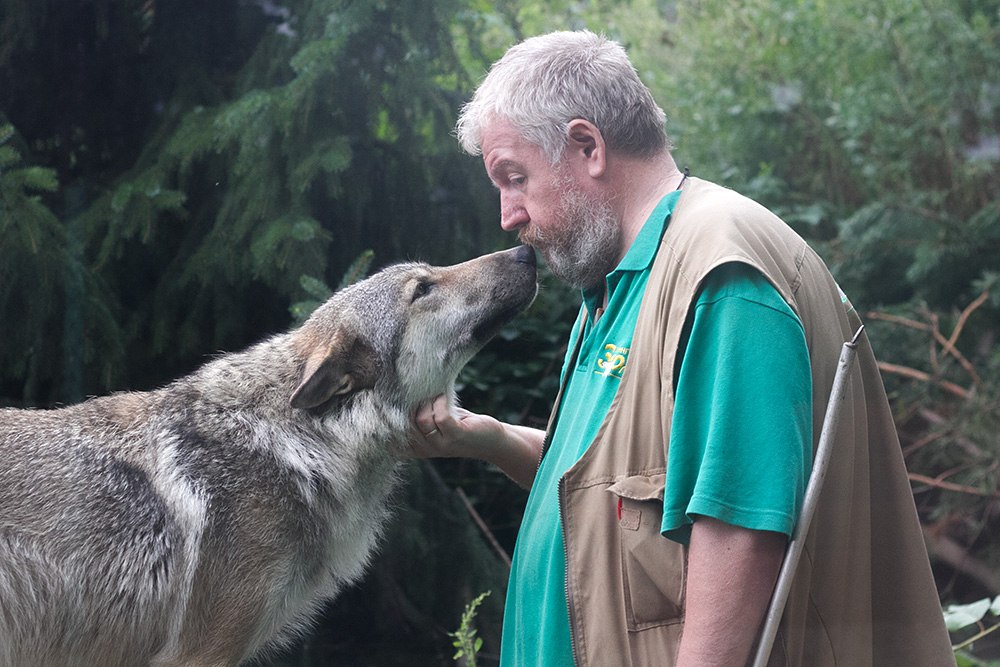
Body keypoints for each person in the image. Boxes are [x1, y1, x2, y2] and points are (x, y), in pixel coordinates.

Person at [410, 30, 954, 667]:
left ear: (587, 146)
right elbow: (615, 498)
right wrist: (488, 437)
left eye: (514, 177)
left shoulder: (722, 279)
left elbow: (741, 529)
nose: (508, 215)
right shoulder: (619, 285)